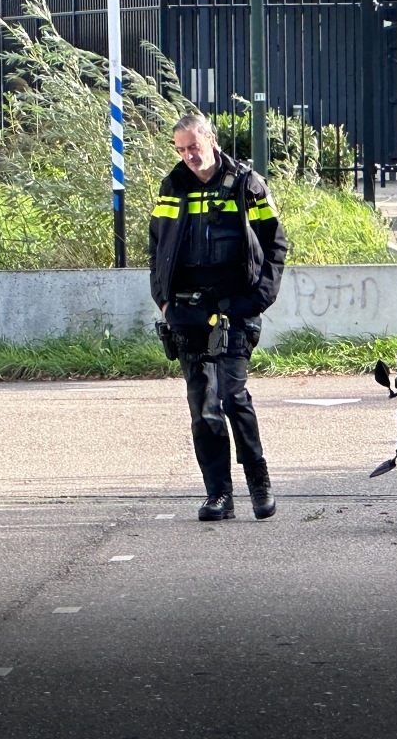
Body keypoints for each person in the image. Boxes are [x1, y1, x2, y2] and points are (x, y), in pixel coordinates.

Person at [149, 115, 287, 521]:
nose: (188, 156)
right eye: (180, 149)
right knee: (204, 406)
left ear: (210, 139)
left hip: (235, 309)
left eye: (193, 146)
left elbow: (274, 244)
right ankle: (218, 495)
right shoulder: (173, 185)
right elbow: (157, 245)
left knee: (233, 397)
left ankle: (258, 483)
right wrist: (164, 302)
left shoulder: (247, 183)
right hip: (187, 311)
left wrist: (257, 299)